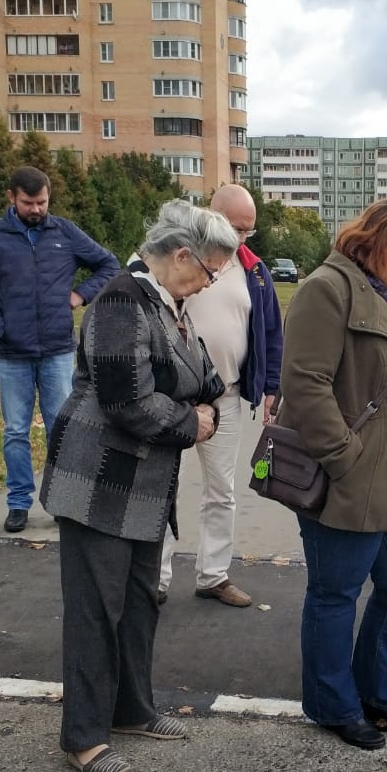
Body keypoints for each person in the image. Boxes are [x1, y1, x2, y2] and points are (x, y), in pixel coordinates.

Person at [39, 200, 236, 772]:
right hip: (99, 480)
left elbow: (210, 380)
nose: (208, 283)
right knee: (95, 611)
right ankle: (83, 737)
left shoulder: (170, 304)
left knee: (138, 604)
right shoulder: (122, 300)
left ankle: (131, 710)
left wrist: (194, 406)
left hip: (144, 484)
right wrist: (192, 420)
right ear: (181, 256)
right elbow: (128, 400)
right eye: (207, 271)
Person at [279, 199, 387, 751]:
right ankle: (334, 705)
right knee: (336, 594)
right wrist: (345, 459)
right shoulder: (327, 288)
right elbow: (305, 384)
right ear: (383, 237)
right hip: (350, 482)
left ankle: (381, 696)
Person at [0, 166, 120, 534]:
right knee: (16, 431)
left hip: (56, 350)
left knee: (61, 428)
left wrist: (80, 295)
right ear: (11, 198)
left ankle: (63, 501)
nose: (36, 209)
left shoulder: (64, 232)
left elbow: (108, 264)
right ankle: (19, 503)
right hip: (11, 353)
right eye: (28, 202)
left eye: (42, 202)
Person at [156, 184, 283, 608]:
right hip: (176, 398)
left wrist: (270, 386)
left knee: (222, 490)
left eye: (249, 230)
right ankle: (155, 577)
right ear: (212, 216)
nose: (242, 238)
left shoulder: (254, 270)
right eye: (235, 227)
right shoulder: (180, 259)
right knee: (164, 486)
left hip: (227, 394)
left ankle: (213, 574)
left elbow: (270, 331)